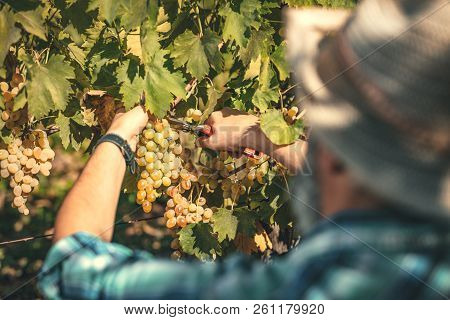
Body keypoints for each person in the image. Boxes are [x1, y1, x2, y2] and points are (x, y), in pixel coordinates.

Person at [38, 0, 449, 299]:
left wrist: (120, 135)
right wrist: (258, 134)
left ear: (336, 157)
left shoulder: (302, 294)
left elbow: (72, 270)